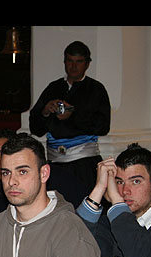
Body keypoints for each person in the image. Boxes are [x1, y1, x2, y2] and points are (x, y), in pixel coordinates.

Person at [29, 41, 111, 193]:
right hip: (55, 163)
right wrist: (45, 112)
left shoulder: (95, 89)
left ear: (87, 64)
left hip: (84, 164)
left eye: (79, 62)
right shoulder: (53, 88)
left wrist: (74, 115)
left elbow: (103, 126)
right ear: (64, 62)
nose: (73, 66)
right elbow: (35, 127)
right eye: (69, 61)